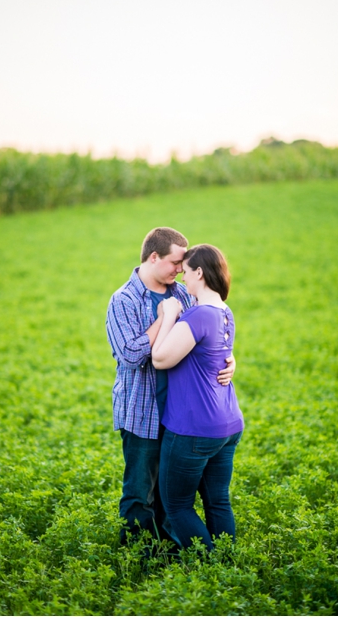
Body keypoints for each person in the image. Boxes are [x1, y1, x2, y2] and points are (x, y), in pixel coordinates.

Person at [106, 227, 234, 548]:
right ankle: (138, 557)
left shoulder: (180, 293)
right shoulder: (123, 300)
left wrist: (230, 360)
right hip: (142, 414)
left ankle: (172, 555)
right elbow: (132, 354)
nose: (180, 269)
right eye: (175, 262)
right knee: (139, 494)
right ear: (154, 257)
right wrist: (165, 320)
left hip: (181, 418)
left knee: (172, 495)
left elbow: (204, 334)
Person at [151, 244, 244, 551]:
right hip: (227, 423)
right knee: (217, 500)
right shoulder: (224, 312)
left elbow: (161, 359)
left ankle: (209, 567)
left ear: (200, 273)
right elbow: (216, 357)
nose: (182, 278)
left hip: (193, 428)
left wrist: (169, 315)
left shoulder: (198, 315)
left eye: (187, 272)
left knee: (177, 505)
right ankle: (228, 569)